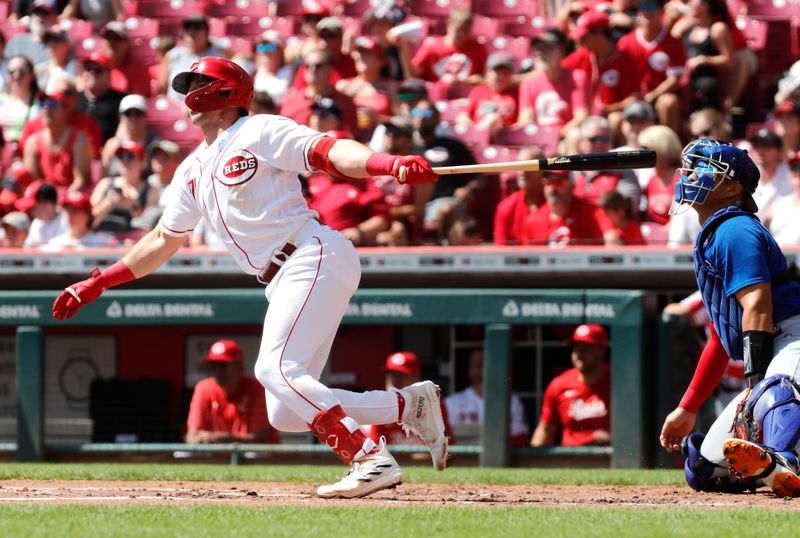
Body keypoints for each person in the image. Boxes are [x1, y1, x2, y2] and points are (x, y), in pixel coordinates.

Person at [51, 57, 448, 499]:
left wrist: (386, 163)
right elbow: (163, 239)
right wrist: (101, 281)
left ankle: (367, 457)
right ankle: (409, 404)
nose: (190, 91)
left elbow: (329, 151)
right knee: (286, 411)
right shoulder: (191, 169)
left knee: (273, 367)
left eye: (199, 82)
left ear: (225, 92)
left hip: (310, 252)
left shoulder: (259, 130)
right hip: (281, 276)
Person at [659, 139, 800, 498]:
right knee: (705, 468)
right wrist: (687, 408)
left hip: (793, 337)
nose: (690, 174)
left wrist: (753, 384)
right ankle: (774, 462)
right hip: (776, 342)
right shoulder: (715, 231)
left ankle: (787, 461)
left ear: (733, 188)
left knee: (775, 394)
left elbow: (758, 305)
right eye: (689, 166)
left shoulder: (734, 229)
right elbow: (722, 337)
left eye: (703, 168)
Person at [185, 339, 280, 444]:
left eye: (223, 366)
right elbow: (191, 436)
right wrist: (200, 440)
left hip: (258, 457)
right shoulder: (203, 389)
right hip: (219, 456)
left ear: (239, 367)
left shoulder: (257, 388)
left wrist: (224, 438)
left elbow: (260, 438)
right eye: (214, 366)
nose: (218, 372)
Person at [531, 324, 612, 447]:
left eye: (586, 348)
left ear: (602, 350)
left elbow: (633, 427)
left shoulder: (618, 382)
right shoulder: (559, 384)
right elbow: (546, 429)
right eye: (576, 348)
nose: (579, 353)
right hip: (572, 457)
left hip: (611, 458)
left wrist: (617, 437)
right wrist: (534, 462)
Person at [616, 0, 686, 133]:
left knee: (669, 102)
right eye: (642, 6)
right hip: (633, 98)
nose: (646, 11)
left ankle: (667, 149)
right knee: (615, 118)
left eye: (651, 6)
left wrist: (652, 95)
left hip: (659, 96)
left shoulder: (672, 42)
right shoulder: (625, 42)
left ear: (661, 12)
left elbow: (674, 79)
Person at [364, 351, 454, 447]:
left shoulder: (433, 402)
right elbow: (375, 448)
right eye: (391, 374)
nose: (394, 380)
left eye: (401, 375)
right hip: (392, 461)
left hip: (426, 462)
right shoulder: (381, 404)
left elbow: (446, 446)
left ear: (416, 377)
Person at [445, 348, 529, 446]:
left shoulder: (512, 401)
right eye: (477, 364)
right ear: (469, 370)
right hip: (462, 459)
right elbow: (442, 441)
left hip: (497, 459)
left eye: (485, 363)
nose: (482, 367)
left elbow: (521, 438)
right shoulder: (451, 403)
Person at [516, 28, 589, 138]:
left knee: (575, 135)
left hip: (564, 138)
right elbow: (526, 119)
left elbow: (582, 116)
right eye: (536, 49)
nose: (540, 53)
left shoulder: (576, 78)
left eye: (546, 48)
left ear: (561, 51)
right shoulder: (528, 83)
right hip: (537, 140)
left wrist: (555, 137)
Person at [23, 89, 92, 192]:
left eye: (52, 104)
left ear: (65, 110)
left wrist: (63, 200)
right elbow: (32, 181)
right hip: (44, 198)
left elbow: (81, 180)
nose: (46, 108)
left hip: (70, 198)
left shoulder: (79, 140)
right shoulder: (32, 142)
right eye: (43, 104)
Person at [521, 169, 604, 246]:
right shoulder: (533, 221)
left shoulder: (591, 213)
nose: (553, 188)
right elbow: (528, 257)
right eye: (548, 182)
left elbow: (610, 239)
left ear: (572, 185)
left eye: (558, 182)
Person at [456, 52, 519, 138]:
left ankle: (476, 138)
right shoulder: (479, 90)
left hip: (504, 138)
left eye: (505, 72)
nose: (501, 76)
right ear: (487, 72)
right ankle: (477, 139)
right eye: (497, 72)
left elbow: (523, 123)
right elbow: (463, 116)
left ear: (512, 74)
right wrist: (474, 128)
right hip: (478, 130)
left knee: (494, 118)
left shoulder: (518, 94)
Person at [493, 146, 546, 246]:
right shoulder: (505, 208)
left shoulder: (557, 204)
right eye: (519, 165)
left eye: (529, 166)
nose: (523, 171)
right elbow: (501, 252)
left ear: (543, 170)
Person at [76, 52, 126, 143]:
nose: (92, 73)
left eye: (98, 70)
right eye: (88, 69)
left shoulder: (121, 100)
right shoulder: (74, 99)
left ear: (109, 75)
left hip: (107, 152)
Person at [41, 190, 113, 250]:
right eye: (67, 210)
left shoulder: (103, 242)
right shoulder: (56, 243)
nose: (69, 214)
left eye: (74, 211)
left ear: (87, 215)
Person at [748, 128, 793, 223]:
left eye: (766, 146)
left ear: (780, 151)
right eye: (757, 146)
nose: (760, 150)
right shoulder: (747, 175)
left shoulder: (791, 175)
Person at [99, 21, 152, 97]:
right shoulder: (95, 64)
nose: (112, 42)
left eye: (117, 38)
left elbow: (139, 100)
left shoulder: (138, 67)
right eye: (108, 37)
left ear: (127, 43)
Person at [765, 151, 800, 246]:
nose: (796, 172)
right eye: (793, 167)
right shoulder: (778, 204)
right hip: (777, 258)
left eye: (799, 167)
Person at [19, 182, 66, 247]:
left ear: (47, 204)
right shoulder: (37, 221)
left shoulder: (67, 221)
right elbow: (28, 247)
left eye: (33, 207)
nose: (30, 211)